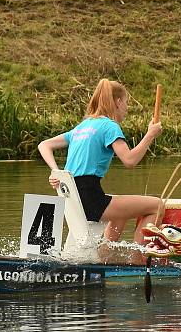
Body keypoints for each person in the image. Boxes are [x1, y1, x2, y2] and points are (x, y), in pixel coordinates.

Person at [38, 79, 163, 244]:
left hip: (73, 198)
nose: (127, 108)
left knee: (120, 210)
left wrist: (56, 172)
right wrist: (150, 135)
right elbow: (130, 160)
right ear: (118, 102)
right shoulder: (110, 126)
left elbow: (44, 145)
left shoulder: (82, 127)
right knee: (158, 206)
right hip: (90, 199)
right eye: (126, 103)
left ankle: (106, 256)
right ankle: (139, 259)